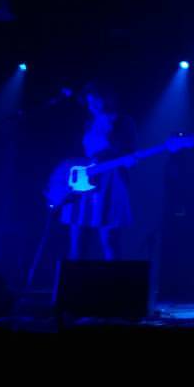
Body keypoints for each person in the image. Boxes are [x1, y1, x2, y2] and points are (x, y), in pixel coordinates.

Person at [58, 82, 137, 260]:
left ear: (107, 100)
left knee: (108, 238)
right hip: (85, 178)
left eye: (95, 101)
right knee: (76, 235)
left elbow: (129, 153)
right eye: (89, 102)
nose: (91, 106)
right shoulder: (88, 123)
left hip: (110, 180)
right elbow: (80, 152)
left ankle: (114, 283)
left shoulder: (123, 121)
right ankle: (73, 282)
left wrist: (122, 158)